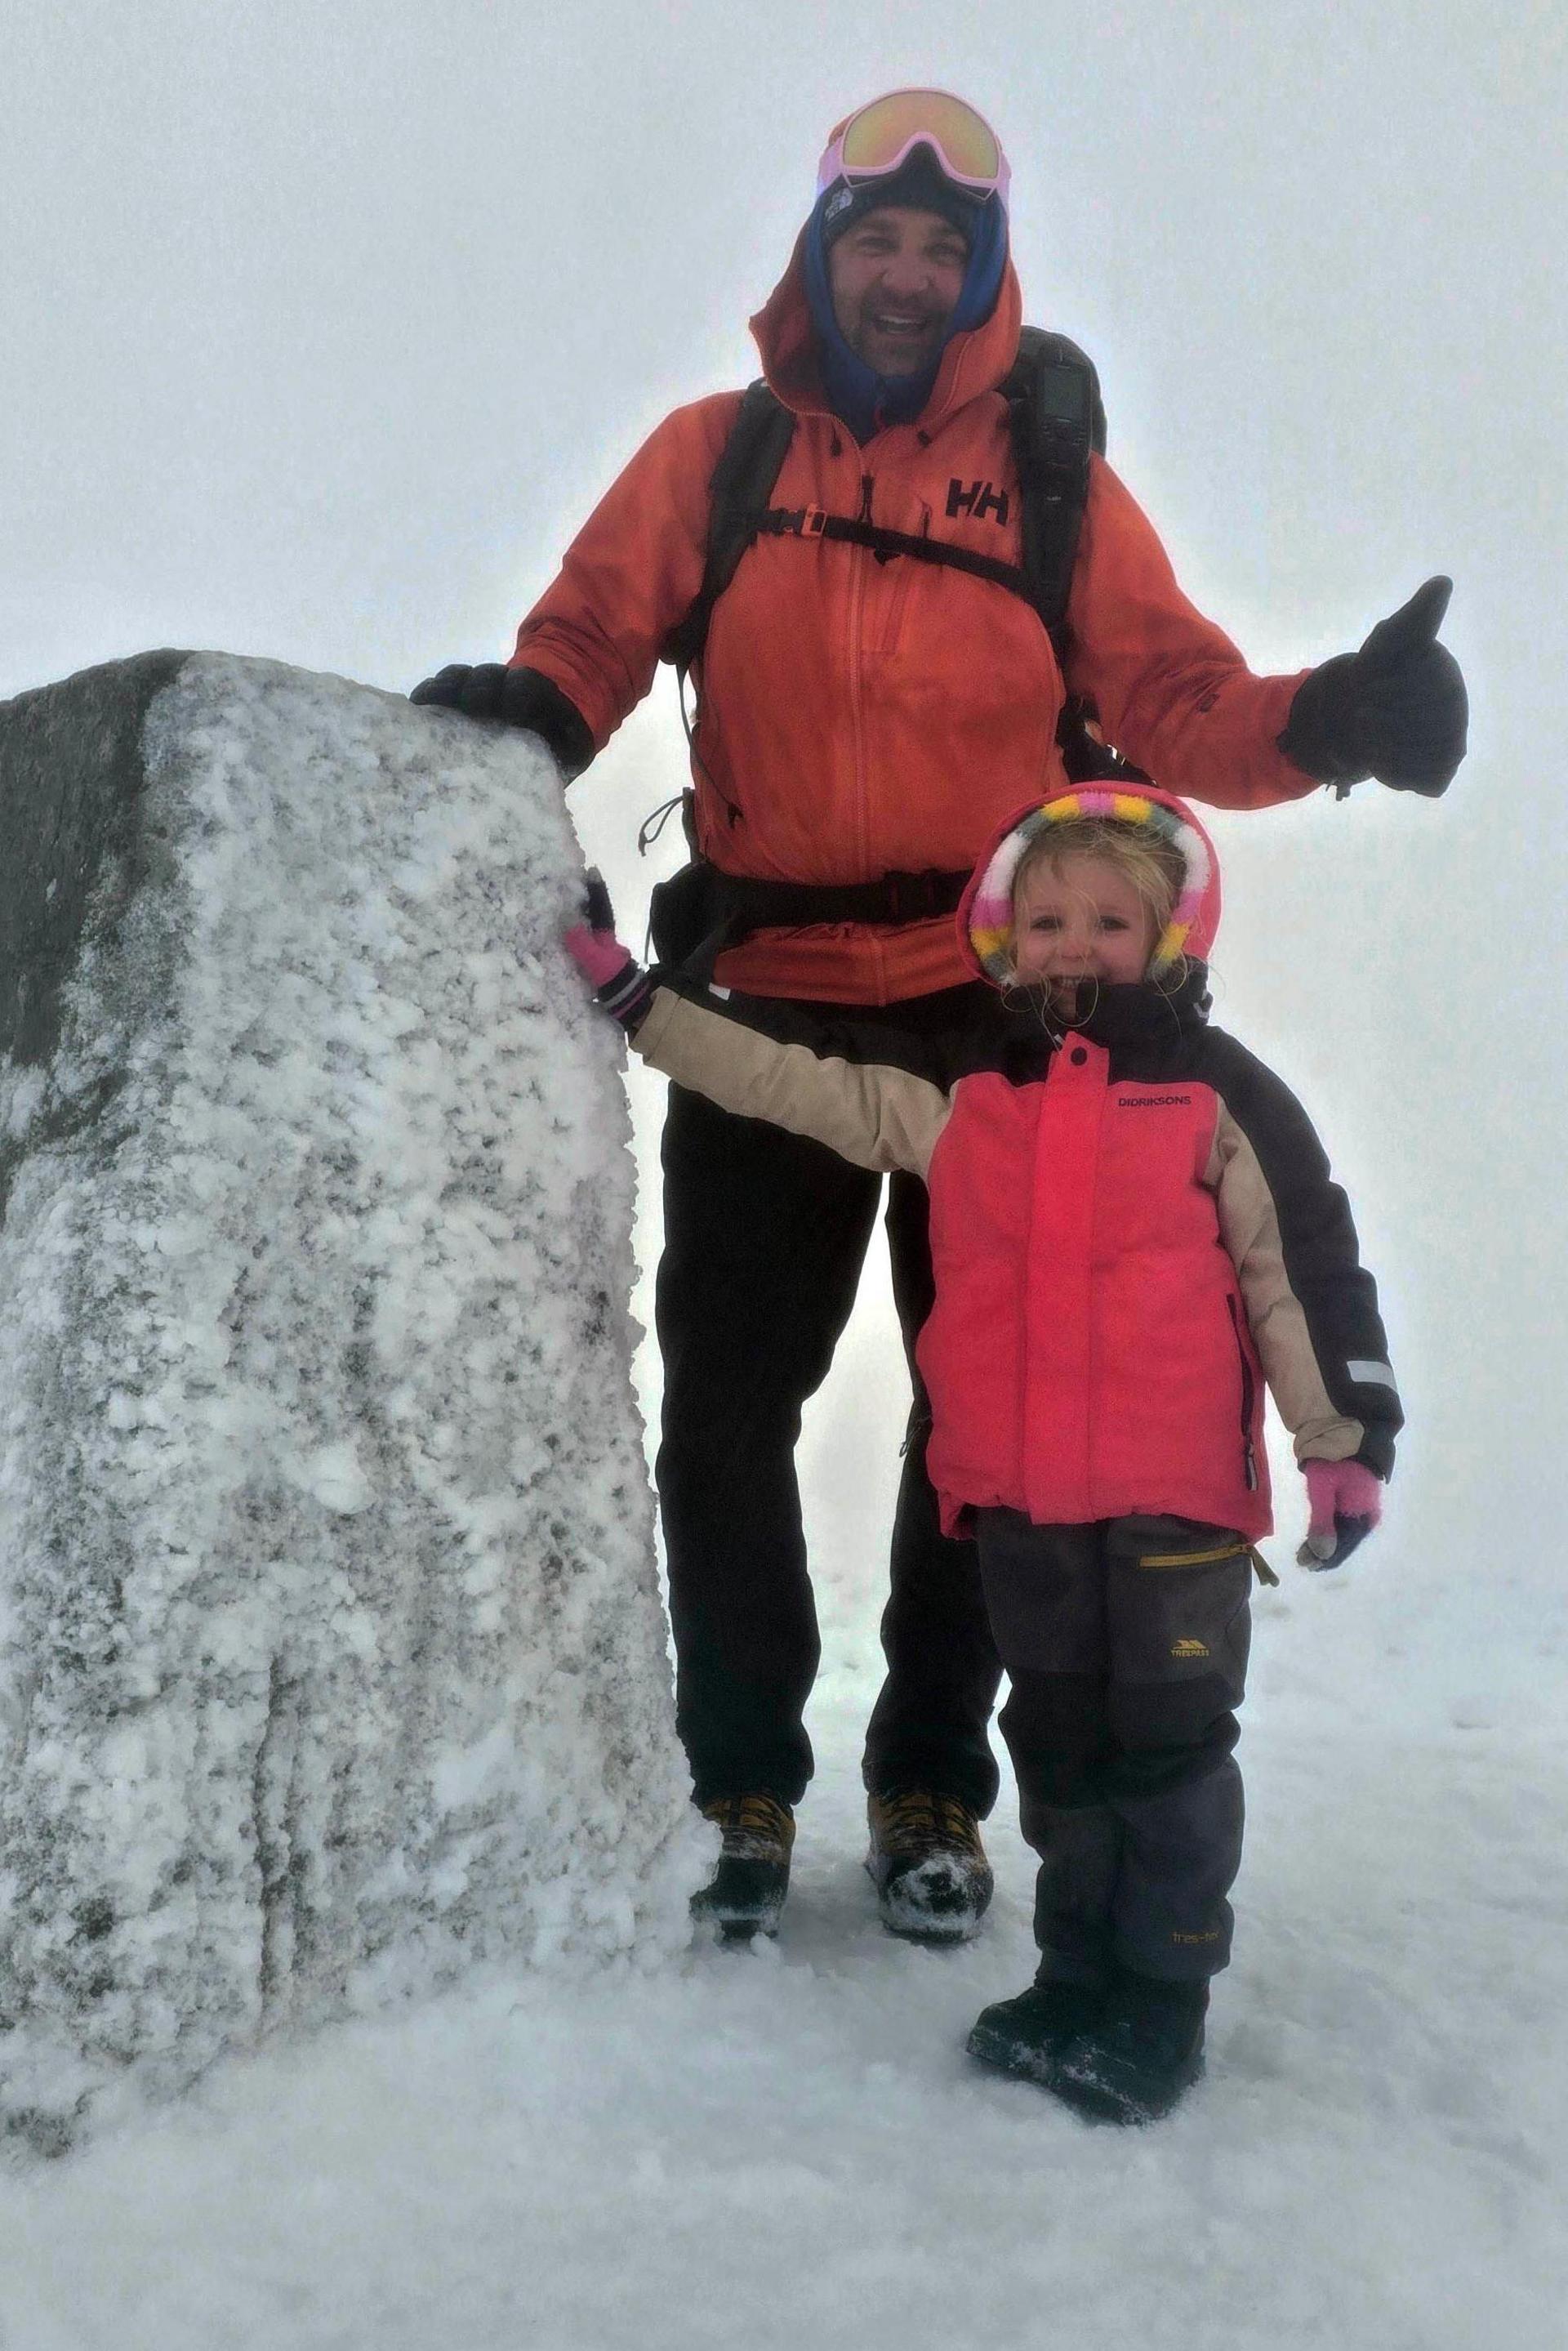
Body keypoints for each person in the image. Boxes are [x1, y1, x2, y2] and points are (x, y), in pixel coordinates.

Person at [412, 89, 1458, 1942]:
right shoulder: (716, 454)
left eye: (938, 247)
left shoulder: (1051, 482)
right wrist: (525, 725)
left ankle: (927, 1784)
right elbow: (591, 629)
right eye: (874, 240)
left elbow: (1177, 694)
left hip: (1001, 1026)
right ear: (823, 253)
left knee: (990, 1426)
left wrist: (1331, 723)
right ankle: (735, 1777)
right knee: (729, 1406)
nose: (904, 274)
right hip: (772, 1002)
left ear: (982, 269)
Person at [564, 778, 1400, 2121]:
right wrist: (639, 1005)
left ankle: (1161, 2003)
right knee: (1063, 1750)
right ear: (1007, 933)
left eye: (1112, 920)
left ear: (1171, 932)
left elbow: (1298, 1266)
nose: (1078, 943)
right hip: (1026, 1510)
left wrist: (1343, 1437)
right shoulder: (966, 1096)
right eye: (1050, 916)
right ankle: (1077, 1979)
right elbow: (791, 1083)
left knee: (1167, 1762)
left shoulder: (1216, 1096)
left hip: (1175, 1511)